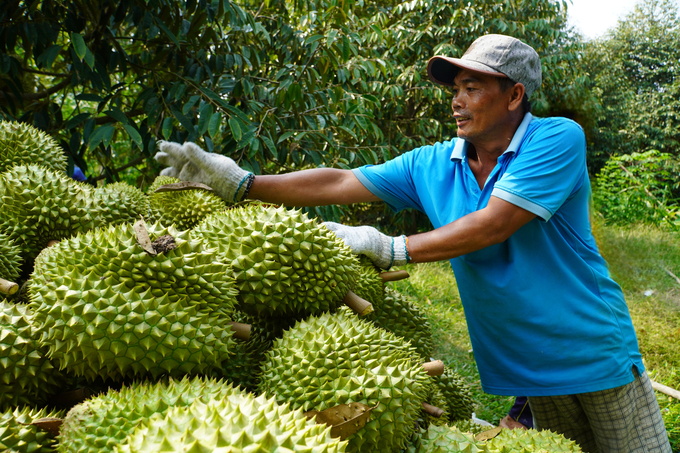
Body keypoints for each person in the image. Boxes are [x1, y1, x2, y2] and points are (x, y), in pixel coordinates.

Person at [154, 34, 671, 452]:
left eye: (473, 88)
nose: (457, 100)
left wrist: (390, 247)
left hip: (588, 348)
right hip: (526, 362)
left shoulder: (555, 139)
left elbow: (494, 223)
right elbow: (339, 181)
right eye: (456, 89)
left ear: (515, 96)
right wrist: (243, 183)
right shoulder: (433, 163)